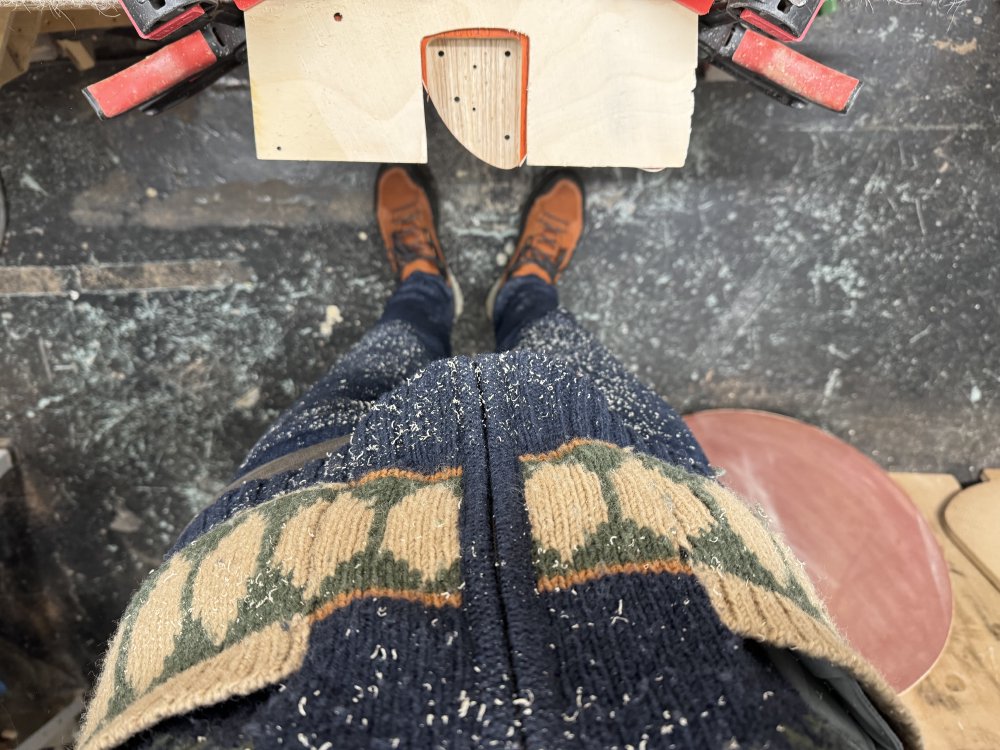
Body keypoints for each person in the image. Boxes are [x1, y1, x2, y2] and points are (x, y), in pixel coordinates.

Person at [77, 168, 917, 750]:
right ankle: (526, 289)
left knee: (373, 373)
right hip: (676, 547)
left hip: (269, 587)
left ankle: (421, 286)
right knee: (565, 365)